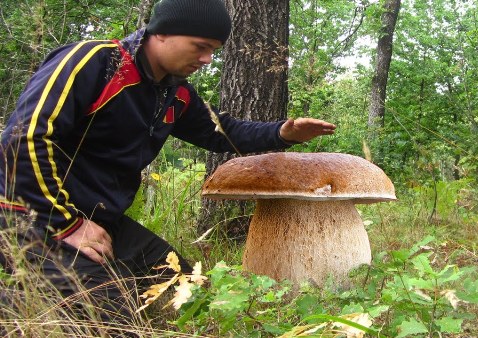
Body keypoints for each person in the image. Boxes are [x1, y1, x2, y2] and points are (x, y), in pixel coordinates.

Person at [0, 0, 335, 328]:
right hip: (28, 215)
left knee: (188, 290)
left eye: (214, 50)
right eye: (200, 46)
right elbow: (23, 139)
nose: (207, 59)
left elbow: (222, 132)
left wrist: (283, 132)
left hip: (102, 219)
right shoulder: (95, 63)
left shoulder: (174, 93)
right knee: (111, 318)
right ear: (161, 32)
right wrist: (68, 224)